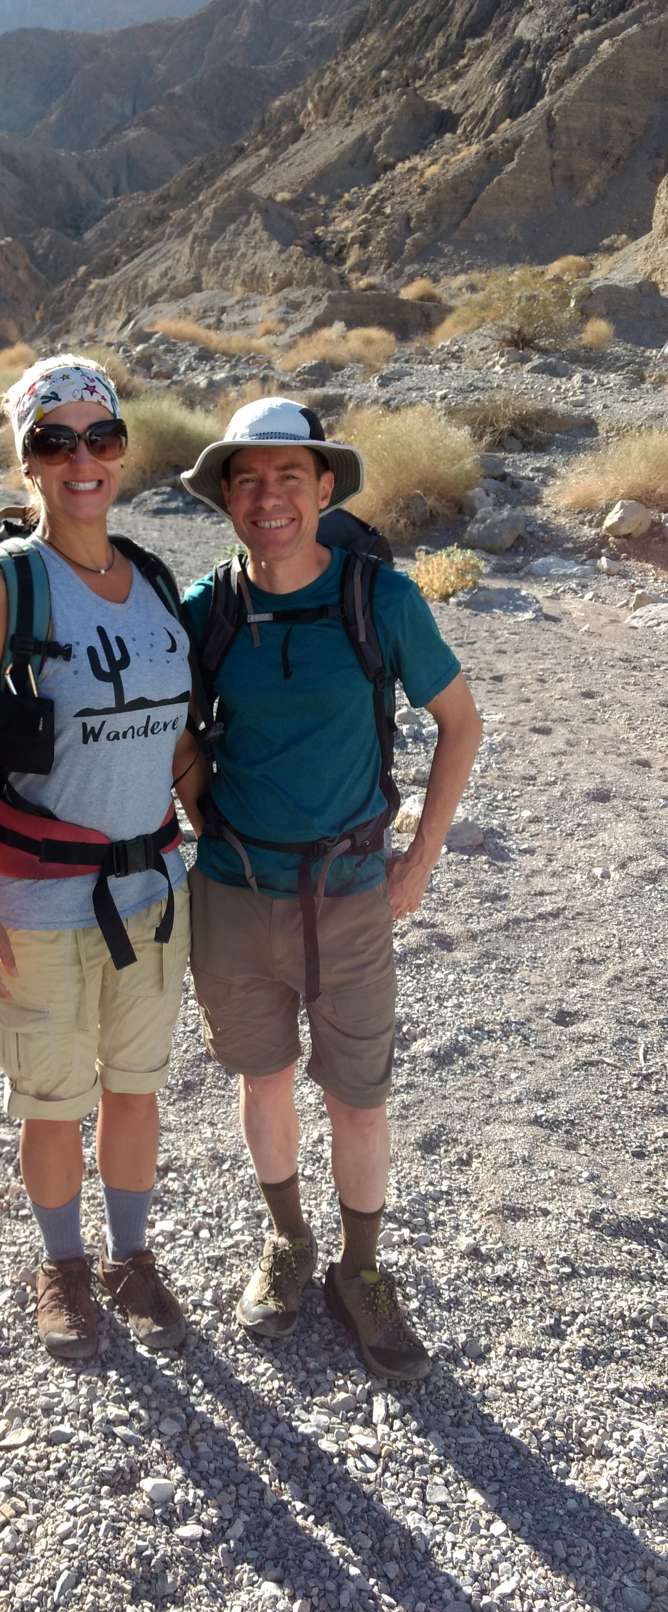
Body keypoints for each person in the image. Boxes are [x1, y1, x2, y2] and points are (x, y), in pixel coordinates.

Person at [176, 396, 483, 1380]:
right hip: (233, 892)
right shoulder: (207, 607)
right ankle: (287, 1241)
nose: (267, 497)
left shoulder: (379, 599)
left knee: (358, 1097)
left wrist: (418, 861)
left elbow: (460, 722)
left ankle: (360, 1268)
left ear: (321, 488)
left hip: (350, 895)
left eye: (287, 477)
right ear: (227, 495)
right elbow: (173, 725)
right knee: (261, 1077)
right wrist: (199, 808)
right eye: (247, 479)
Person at [0, 355, 196, 1362]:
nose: (80, 458)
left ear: (123, 449)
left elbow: (178, 742)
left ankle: (131, 1256)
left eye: (101, 436)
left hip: (153, 891)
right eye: (54, 441)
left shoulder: (155, 581)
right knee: (52, 1099)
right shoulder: (5, 588)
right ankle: (62, 1264)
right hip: (37, 899)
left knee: (134, 1086)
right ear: (28, 461)